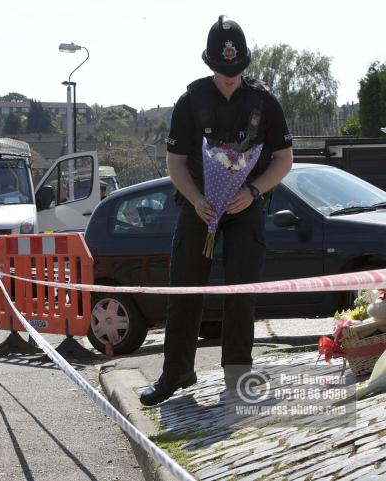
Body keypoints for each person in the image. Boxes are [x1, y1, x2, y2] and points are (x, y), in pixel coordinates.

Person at [140, 15, 293, 407]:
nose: (231, 77)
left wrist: (254, 189)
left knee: (241, 292)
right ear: (210, 64)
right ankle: (176, 373)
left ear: (245, 65)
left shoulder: (264, 101)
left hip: (246, 205)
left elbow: (284, 159)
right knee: (186, 288)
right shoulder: (191, 100)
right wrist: (195, 199)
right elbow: (175, 162)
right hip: (200, 206)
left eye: (237, 69)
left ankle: (237, 377)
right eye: (224, 70)